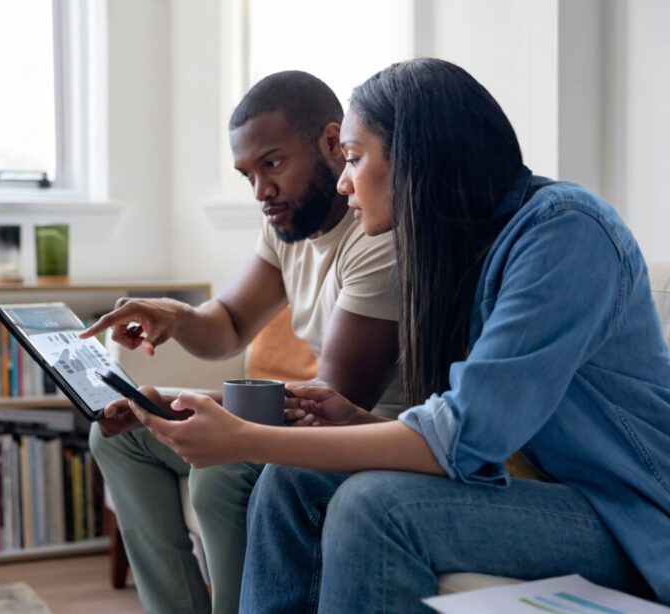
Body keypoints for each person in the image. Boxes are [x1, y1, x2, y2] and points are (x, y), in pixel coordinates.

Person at [122, 58, 670, 612]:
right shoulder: (457, 250)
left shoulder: (565, 233)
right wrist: (356, 421)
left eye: (354, 158)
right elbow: (466, 432)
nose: (343, 180)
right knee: (292, 480)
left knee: (374, 506)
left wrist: (244, 439)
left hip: (625, 514)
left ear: (415, 157)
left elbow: (465, 435)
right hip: (527, 487)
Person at [83, 71, 402, 614]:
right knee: (118, 439)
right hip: (306, 418)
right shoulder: (286, 226)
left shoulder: (377, 238)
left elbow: (328, 403)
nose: (261, 192)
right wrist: (176, 315)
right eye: (248, 174)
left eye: (273, 164)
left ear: (332, 143)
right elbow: (229, 324)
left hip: (363, 434)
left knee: (221, 471)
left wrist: (175, 401)